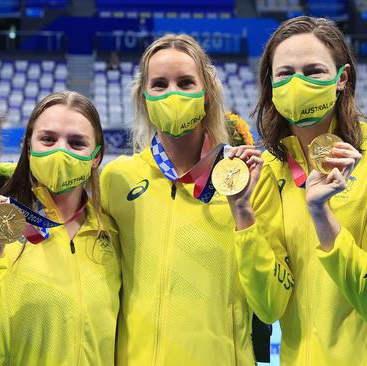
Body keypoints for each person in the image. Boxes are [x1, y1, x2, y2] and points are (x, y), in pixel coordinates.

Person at [228, 16, 367, 364]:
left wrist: (321, 215)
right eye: (285, 73)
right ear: (270, 84)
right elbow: (269, 306)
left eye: (313, 71)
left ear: (341, 79)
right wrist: (243, 215)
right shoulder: (270, 171)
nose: (297, 82)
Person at [100, 34, 259, 365]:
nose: (173, 93)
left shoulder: (243, 179)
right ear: (144, 97)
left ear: (207, 94)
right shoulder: (116, 180)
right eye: (160, 84)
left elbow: (268, 300)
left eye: (186, 82)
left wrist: (244, 212)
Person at [0, 91, 121, 365]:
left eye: (76, 143)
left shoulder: (110, 232)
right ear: (29, 148)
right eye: (48, 139)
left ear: (96, 157)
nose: (60, 151)